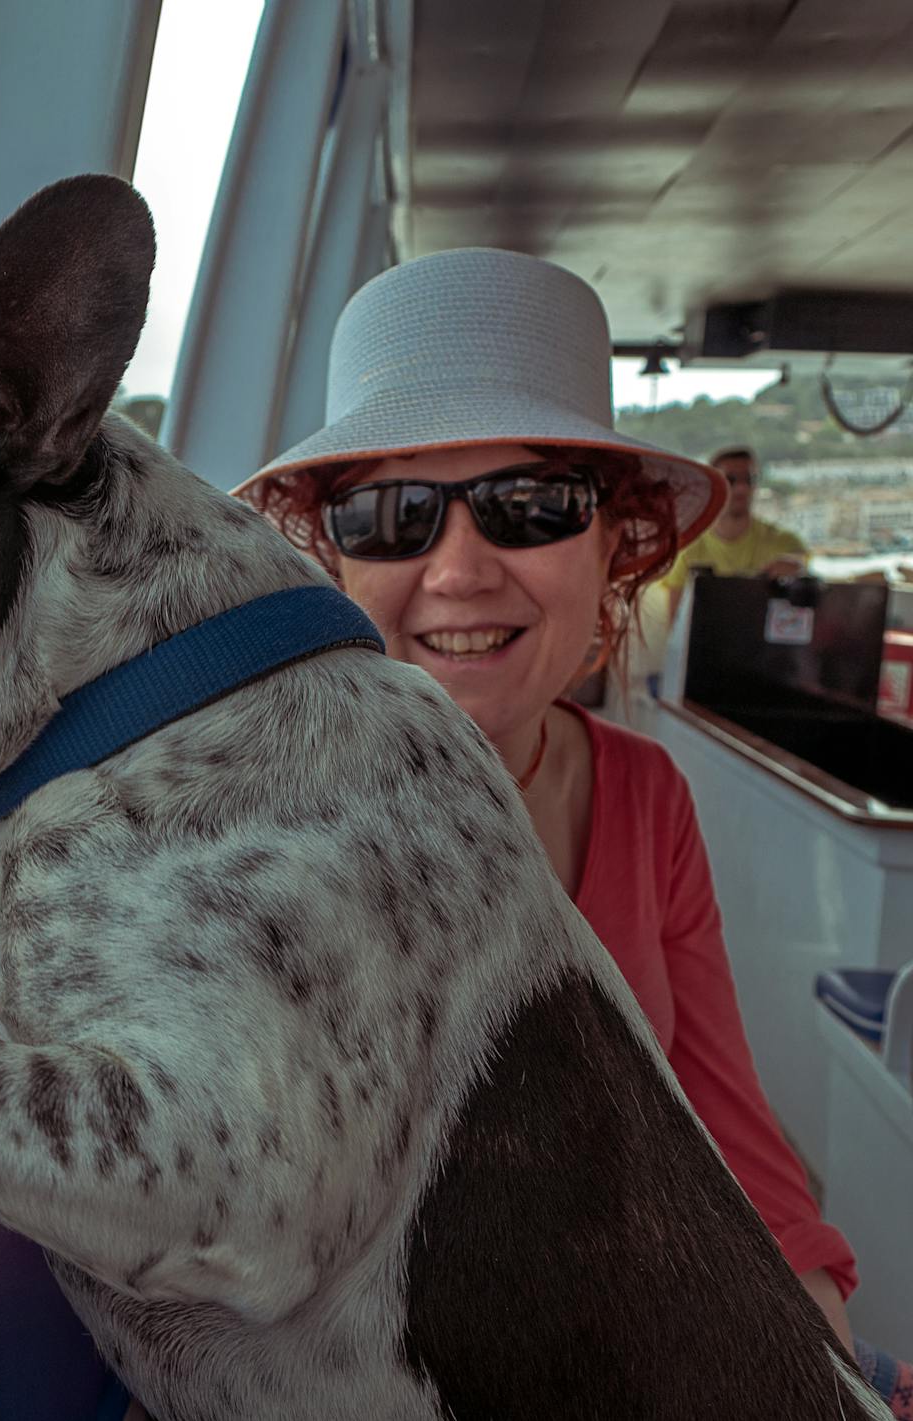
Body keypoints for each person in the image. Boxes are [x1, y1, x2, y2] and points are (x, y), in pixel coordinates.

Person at [232, 247, 910, 1413]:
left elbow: (730, 1133)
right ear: (334, 559)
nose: (456, 569)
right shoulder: (256, 824)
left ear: (615, 546)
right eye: (392, 514)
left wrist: (828, 1359)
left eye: (530, 505)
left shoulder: (647, 797)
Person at [661, 445, 809, 620]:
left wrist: (799, 571)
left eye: (749, 479)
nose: (742, 488)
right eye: (731, 480)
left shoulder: (784, 543)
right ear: (713, 485)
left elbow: (805, 580)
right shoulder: (688, 548)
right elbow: (676, 621)